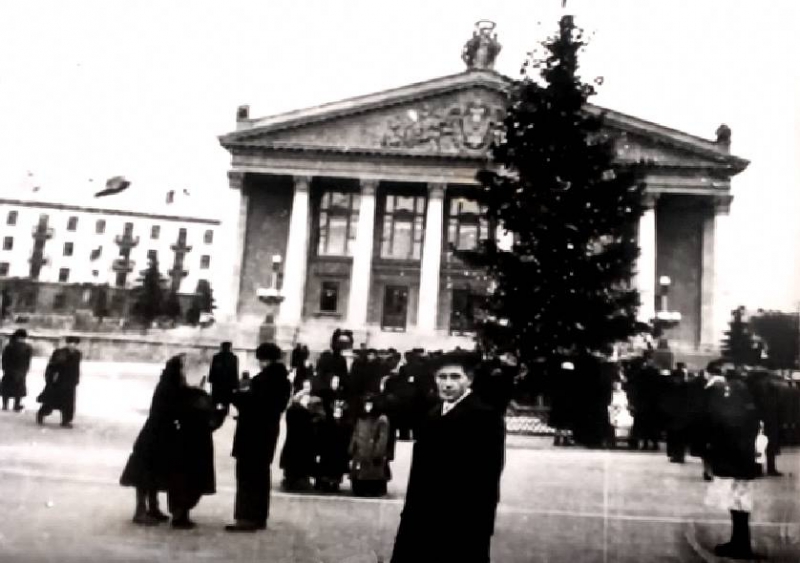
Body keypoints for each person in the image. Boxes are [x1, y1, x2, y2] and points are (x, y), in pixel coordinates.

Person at [390, 350, 505, 563]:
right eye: (442, 377)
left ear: (469, 380)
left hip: (462, 520)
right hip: (422, 516)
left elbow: (487, 478)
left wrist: (477, 524)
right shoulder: (432, 414)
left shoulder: (485, 418)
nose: (448, 384)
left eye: (455, 377)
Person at [226, 342, 291, 532]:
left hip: (252, 432)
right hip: (268, 432)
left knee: (247, 475)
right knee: (261, 474)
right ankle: (259, 516)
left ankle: (246, 517)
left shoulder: (263, 381)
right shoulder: (283, 381)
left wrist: (236, 395)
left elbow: (254, 405)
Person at [702, 364, 762, 559]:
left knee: (738, 503)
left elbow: (723, 424)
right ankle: (739, 542)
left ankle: (741, 545)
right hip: (744, 457)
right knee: (739, 503)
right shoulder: (748, 398)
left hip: (735, 457)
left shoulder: (734, 395)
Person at [120, 355, 185, 526]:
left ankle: (152, 507)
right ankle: (140, 511)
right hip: (157, 434)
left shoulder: (169, 384)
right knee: (145, 473)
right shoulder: (170, 386)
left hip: (158, 433)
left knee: (153, 473)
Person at [167, 364, 226, 529]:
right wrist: (221, 413)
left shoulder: (179, 396)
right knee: (194, 479)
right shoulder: (202, 398)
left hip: (181, 441)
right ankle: (182, 512)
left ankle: (179, 512)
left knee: (180, 478)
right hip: (200, 443)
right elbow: (212, 422)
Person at [349, 393, 391, 497]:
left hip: (372, 453)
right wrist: (352, 448)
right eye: (366, 404)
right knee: (360, 474)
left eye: (370, 404)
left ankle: (374, 489)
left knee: (373, 475)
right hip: (360, 452)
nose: (367, 407)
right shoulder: (361, 418)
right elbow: (356, 433)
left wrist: (378, 452)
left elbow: (382, 439)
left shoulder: (381, 419)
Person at [36, 335, 82, 427]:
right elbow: (52, 366)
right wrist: (50, 378)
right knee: (52, 400)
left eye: (74, 343)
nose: (72, 345)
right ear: (67, 343)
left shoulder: (77, 354)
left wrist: (76, 379)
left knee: (68, 403)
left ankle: (66, 420)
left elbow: (76, 368)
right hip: (58, 380)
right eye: (70, 343)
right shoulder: (60, 352)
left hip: (70, 381)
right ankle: (41, 414)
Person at [1, 328, 33, 412]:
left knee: (6, 389)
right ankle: (16, 405)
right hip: (20, 371)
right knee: (18, 390)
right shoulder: (27, 347)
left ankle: (5, 405)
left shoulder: (9, 346)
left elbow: (4, 359)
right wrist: (25, 371)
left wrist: (5, 369)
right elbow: (28, 361)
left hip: (9, 370)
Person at [207, 341, 239, 416]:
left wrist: (211, 379)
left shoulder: (216, 357)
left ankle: (214, 413)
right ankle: (224, 414)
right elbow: (235, 372)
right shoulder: (233, 358)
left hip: (217, 383)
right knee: (226, 401)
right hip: (227, 384)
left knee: (215, 400)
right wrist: (235, 384)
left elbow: (212, 370)